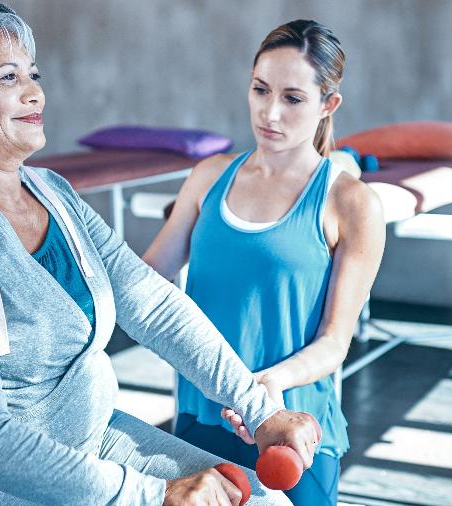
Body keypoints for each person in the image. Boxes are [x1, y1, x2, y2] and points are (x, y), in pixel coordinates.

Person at [0, 1, 320, 504]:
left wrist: (259, 409)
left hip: (89, 439)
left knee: (261, 498)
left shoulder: (53, 194)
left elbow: (153, 305)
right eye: (6, 77)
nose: (34, 91)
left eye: (32, 73)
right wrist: (153, 496)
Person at [142, 20, 386, 505]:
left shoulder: (351, 203)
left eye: (293, 98)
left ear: (327, 105)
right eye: (260, 90)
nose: (270, 112)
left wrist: (269, 383)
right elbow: (143, 281)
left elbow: (335, 342)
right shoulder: (209, 176)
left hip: (291, 430)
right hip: (199, 419)